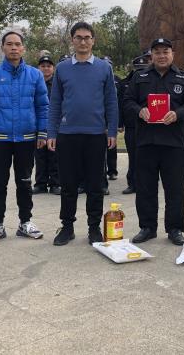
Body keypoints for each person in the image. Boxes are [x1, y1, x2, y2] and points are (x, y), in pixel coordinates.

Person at [48, 22, 119, 246]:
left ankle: (94, 227)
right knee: (68, 185)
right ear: (72, 40)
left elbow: (111, 101)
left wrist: (112, 130)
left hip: (96, 134)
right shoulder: (62, 69)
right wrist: (52, 132)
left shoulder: (104, 68)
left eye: (87, 37)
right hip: (67, 134)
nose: (83, 41)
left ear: (93, 41)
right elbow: (55, 102)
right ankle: (67, 227)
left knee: (95, 185)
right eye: (78, 37)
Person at [0, 31, 48, 243]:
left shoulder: (35, 75)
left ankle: (25, 222)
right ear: (3, 48)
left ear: (23, 48)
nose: (14, 48)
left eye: (17, 44)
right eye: (9, 44)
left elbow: (43, 106)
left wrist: (42, 132)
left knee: (24, 182)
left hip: (26, 138)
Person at [124, 38, 184, 245]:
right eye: (157, 52)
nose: (162, 56)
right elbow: (127, 101)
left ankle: (175, 228)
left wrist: (177, 113)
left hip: (173, 143)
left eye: (166, 51)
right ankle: (147, 227)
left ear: (173, 54)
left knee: (175, 189)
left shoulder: (183, 77)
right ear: (151, 55)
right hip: (146, 142)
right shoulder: (140, 77)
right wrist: (140, 111)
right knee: (145, 188)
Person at [119, 53, 150, 194]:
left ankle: (146, 183)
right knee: (133, 156)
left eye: (143, 68)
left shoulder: (152, 81)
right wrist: (120, 123)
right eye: (138, 69)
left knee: (147, 156)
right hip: (131, 125)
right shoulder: (124, 83)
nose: (140, 71)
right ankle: (132, 183)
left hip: (148, 125)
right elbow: (121, 105)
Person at [32, 55, 61, 195]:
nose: (46, 68)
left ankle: (55, 184)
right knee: (40, 156)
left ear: (53, 68)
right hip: (38, 125)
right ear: (38, 68)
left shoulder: (57, 84)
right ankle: (40, 184)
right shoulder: (34, 83)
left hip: (54, 125)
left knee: (54, 156)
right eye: (43, 66)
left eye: (48, 66)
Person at [104, 56, 121, 186]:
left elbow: (118, 102)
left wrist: (119, 123)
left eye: (109, 64)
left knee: (111, 147)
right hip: (99, 119)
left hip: (112, 118)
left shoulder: (117, 80)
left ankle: (112, 171)